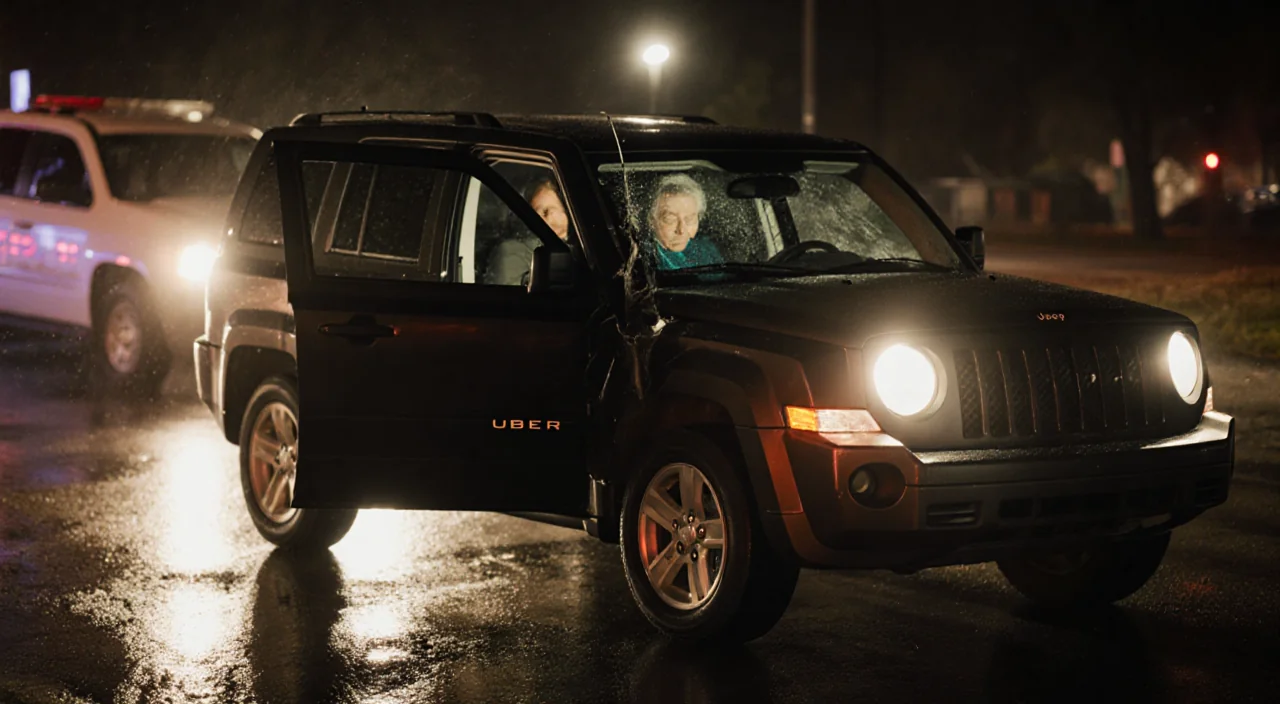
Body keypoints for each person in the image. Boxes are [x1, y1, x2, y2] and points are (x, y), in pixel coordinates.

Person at [484, 177, 571, 286]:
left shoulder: (584, 248)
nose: (544, 219)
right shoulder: (513, 252)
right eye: (542, 212)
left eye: (546, 211)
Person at [647, 173, 722, 270]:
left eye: (690, 219)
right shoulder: (643, 257)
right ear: (652, 220)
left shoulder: (706, 250)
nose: (682, 230)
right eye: (670, 220)